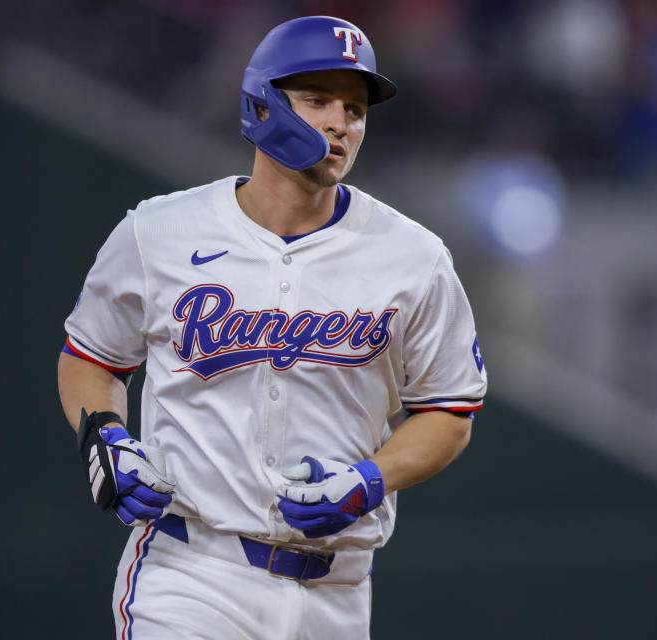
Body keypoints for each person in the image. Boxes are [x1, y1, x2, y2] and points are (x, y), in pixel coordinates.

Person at [57, 15, 487, 639]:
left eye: (355, 108)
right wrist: (106, 435)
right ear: (262, 103)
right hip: (192, 572)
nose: (341, 123)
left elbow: (450, 410)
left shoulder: (414, 257)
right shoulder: (160, 232)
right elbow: (92, 355)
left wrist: (373, 478)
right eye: (317, 100)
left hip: (336, 593)